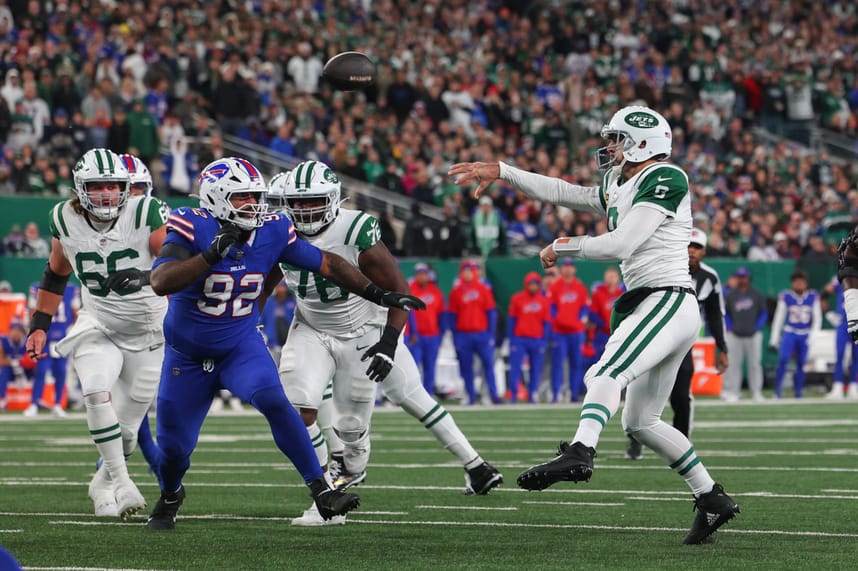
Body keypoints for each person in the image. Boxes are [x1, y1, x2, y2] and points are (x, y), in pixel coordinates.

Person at [449, 105, 740, 544]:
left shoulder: (666, 177)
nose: (609, 147)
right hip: (656, 304)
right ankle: (712, 498)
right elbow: (566, 191)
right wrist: (505, 171)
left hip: (666, 298)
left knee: (605, 372)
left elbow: (622, 243)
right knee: (641, 421)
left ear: (644, 143)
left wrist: (563, 245)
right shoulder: (619, 181)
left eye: (618, 139)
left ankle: (581, 450)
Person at [146, 157, 423, 530]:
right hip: (188, 356)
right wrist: (211, 254)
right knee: (174, 451)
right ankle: (170, 494)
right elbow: (162, 280)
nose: (254, 204)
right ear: (216, 198)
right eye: (243, 196)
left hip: (238, 346)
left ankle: (321, 490)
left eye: (256, 195)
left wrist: (378, 294)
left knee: (277, 401)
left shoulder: (273, 229)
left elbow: (327, 264)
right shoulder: (191, 223)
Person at [265, 163, 501, 526]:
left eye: (312, 201)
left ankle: (468, 466)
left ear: (330, 200)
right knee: (297, 403)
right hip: (310, 325)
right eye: (297, 203)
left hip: (364, 327)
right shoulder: (279, 229)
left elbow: (398, 291)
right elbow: (263, 278)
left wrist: (388, 342)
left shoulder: (355, 228)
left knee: (358, 425)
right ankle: (327, 493)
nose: (304, 210)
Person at [25, 148, 169, 520]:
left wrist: (144, 277)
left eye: (113, 185)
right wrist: (40, 325)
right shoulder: (64, 218)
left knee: (128, 434)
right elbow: (56, 272)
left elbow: (177, 266)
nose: (106, 194)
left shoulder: (144, 212)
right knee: (94, 389)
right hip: (98, 322)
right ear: (80, 188)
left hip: (147, 330)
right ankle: (122, 482)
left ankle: (101, 483)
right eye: (97, 186)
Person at [626, 228, 728, 459]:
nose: (692, 251)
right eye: (688, 246)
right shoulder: (662, 267)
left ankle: (681, 444)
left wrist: (723, 347)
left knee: (681, 395)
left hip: (681, 345)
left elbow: (715, 314)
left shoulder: (709, 278)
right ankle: (635, 440)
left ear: (703, 252)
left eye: (697, 247)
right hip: (651, 338)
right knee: (641, 391)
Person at [448, 260, 501, 404]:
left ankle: (493, 395)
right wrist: (456, 336)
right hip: (464, 335)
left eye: (470, 271)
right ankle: (471, 396)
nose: (467, 274)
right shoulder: (456, 292)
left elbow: (491, 313)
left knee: (488, 365)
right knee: (466, 367)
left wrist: (490, 334)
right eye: (464, 271)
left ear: (474, 272)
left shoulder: (484, 289)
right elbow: (452, 317)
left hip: (481, 334)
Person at [23, 282, 79, 417]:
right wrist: (35, 330)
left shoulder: (71, 289)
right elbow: (32, 312)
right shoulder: (37, 288)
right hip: (44, 337)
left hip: (61, 337)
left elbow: (76, 314)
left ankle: (58, 404)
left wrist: (70, 332)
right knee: (41, 370)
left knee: (61, 371)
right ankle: (34, 403)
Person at [769, 269, 821, 399]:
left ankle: (798, 391)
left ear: (806, 283)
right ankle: (777, 390)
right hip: (790, 332)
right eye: (796, 282)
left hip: (805, 333)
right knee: (783, 359)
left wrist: (813, 336)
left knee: (801, 362)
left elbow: (817, 318)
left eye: (801, 282)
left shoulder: (812, 296)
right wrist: (774, 338)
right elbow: (779, 318)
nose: (798, 284)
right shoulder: (786, 296)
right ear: (792, 283)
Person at [722, 267, 768, 402]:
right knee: (734, 364)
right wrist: (730, 327)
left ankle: (756, 392)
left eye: (744, 277)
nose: (742, 279)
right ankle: (733, 392)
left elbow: (764, 312)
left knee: (754, 364)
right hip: (735, 335)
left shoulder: (756, 294)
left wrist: (757, 327)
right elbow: (725, 313)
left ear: (749, 278)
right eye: (740, 277)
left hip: (753, 335)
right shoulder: (731, 295)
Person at [547, 258, 589, 403]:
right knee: (557, 363)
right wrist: (558, 319)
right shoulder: (555, 286)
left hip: (576, 332)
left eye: (570, 267)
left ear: (574, 269)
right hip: (560, 332)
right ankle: (556, 394)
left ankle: (573, 393)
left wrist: (579, 320)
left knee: (576, 363)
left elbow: (584, 307)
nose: (568, 269)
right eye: (565, 266)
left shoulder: (580, 287)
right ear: (561, 269)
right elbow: (551, 307)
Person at [507, 271, 550, 403]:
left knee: (536, 369)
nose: (533, 286)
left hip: (537, 339)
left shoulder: (543, 301)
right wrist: (512, 338)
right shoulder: (517, 298)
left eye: (535, 284)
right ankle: (513, 395)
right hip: (520, 339)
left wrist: (544, 340)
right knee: (515, 368)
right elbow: (511, 319)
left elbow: (546, 322)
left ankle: (533, 394)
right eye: (530, 284)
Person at [408, 263, 445, 396]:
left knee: (430, 367)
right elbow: (408, 314)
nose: (422, 276)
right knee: (413, 367)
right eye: (419, 274)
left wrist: (441, 333)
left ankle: (428, 394)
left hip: (433, 335)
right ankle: (412, 394)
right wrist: (413, 332)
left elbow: (442, 314)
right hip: (416, 336)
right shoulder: (410, 290)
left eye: (424, 273)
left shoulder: (435, 291)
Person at [824, 276, 858, 399]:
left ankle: (854, 387)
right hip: (843, 322)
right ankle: (837, 386)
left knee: (856, 356)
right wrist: (828, 312)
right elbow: (825, 294)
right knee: (840, 354)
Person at [587, 267, 625, 366]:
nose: (611, 279)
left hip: (617, 333)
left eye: (614, 277)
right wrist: (604, 324)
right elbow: (592, 313)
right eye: (609, 276)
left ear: (618, 278)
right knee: (599, 362)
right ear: (605, 278)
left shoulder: (622, 294)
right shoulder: (598, 293)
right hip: (601, 334)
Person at [1, 319, 37, 411]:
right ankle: (1, 399)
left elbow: (33, 360)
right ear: (10, 330)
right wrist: (15, 363)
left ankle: (38, 399)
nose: (16, 333)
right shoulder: (3, 341)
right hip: (10, 370)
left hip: (25, 370)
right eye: (14, 330)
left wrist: (22, 364)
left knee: (39, 371)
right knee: (4, 370)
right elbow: (1, 361)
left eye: (18, 330)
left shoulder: (28, 342)